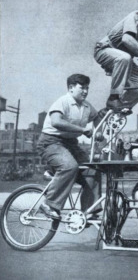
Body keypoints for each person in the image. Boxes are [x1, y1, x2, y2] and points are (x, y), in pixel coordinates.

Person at [37, 74, 102, 219]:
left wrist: (99, 133)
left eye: (87, 88)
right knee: (69, 166)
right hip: (51, 142)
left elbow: (97, 117)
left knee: (92, 170)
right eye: (82, 88)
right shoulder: (63, 101)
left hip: (71, 144)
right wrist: (82, 130)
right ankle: (49, 204)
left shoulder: (86, 106)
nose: (85, 91)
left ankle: (89, 210)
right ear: (71, 88)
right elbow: (56, 122)